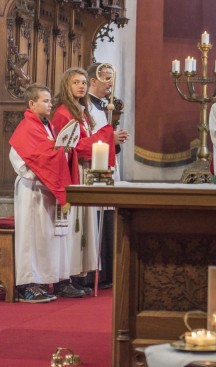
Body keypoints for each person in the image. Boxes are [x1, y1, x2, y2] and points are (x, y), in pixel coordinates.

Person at [9, 84, 79, 303]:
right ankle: (28, 284)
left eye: (50, 100)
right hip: (33, 191)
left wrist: (64, 151)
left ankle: (52, 279)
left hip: (48, 190)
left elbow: (51, 152)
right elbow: (20, 158)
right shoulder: (26, 127)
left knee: (50, 238)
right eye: (45, 101)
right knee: (32, 238)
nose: (50, 104)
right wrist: (44, 171)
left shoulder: (48, 126)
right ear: (32, 104)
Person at [51, 67, 116, 298]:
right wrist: (104, 136)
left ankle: (77, 275)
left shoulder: (81, 112)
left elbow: (84, 141)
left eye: (83, 83)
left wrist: (99, 139)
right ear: (66, 86)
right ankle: (64, 278)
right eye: (76, 83)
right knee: (72, 229)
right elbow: (72, 145)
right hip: (72, 171)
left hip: (85, 169)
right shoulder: (62, 113)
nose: (81, 86)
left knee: (84, 227)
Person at [86, 62, 129, 289]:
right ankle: (95, 272)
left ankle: (107, 273)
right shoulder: (86, 108)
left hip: (106, 164)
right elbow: (87, 138)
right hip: (92, 168)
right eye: (106, 78)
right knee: (96, 215)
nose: (110, 83)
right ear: (93, 80)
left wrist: (116, 140)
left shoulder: (103, 106)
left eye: (111, 78)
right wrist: (111, 139)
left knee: (108, 213)